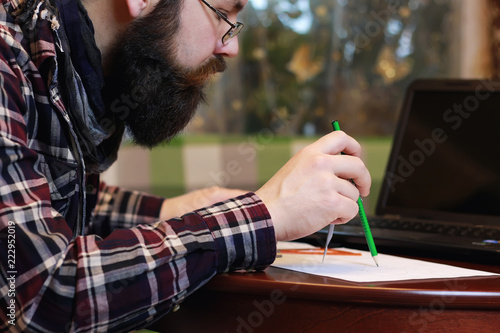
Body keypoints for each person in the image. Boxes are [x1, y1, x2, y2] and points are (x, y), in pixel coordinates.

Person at [0, 0, 371, 331]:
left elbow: (45, 203)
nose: (232, 46)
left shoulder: (72, 69)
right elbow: (38, 298)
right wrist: (263, 215)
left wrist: (172, 210)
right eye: (223, 13)